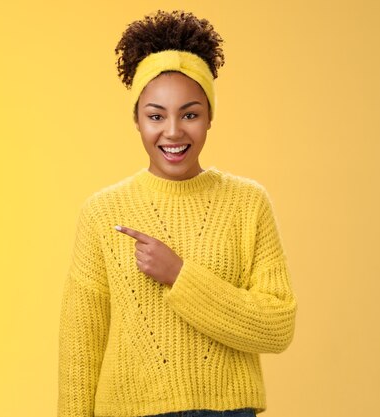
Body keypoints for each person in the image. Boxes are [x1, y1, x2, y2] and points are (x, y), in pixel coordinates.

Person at [58, 10, 297, 417]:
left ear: (209, 117)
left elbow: (277, 326)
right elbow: (81, 346)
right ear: (136, 120)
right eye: (155, 116)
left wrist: (179, 276)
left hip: (228, 411)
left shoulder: (248, 203)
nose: (172, 132)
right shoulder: (102, 212)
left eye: (190, 114)